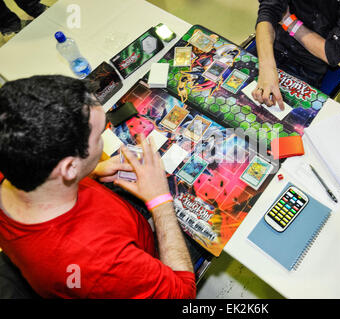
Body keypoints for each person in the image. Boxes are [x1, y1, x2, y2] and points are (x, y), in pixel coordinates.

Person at [0, 75, 196, 298]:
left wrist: (92, 170)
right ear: (69, 167)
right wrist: (160, 199)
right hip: (145, 257)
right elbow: (183, 294)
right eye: (100, 133)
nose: (104, 136)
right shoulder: (100, 263)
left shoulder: (11, 150)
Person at [252, 0, 340, 109]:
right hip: (268, 47)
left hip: (307, 67)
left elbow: (332, 53)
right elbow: (268, 10)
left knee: (274, 131)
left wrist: (287, 20)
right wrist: (267, 67)